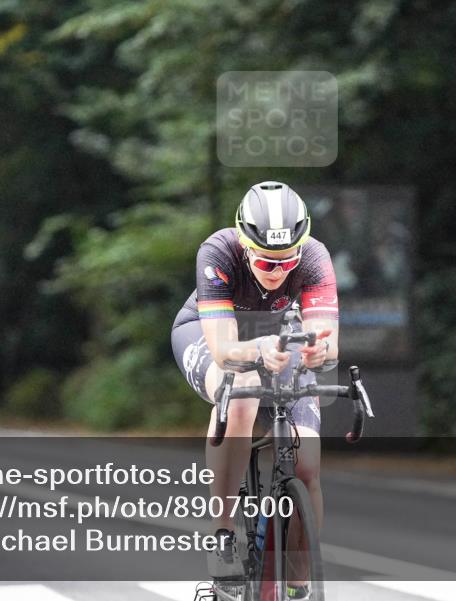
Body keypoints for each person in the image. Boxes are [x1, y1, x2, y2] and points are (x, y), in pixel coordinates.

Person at [171, 181, 339, 600]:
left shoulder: (315, 256)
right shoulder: (218, 252)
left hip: (281, 341)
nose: (279, 271)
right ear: (245, 246)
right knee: (241, 386)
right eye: (266, 262)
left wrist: (319, 350)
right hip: (212, 334)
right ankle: (224, 535)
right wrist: (258, 350)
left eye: (288, 261)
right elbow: (226, 351)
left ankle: (300, 584)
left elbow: (329, 340)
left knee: (307, 464)